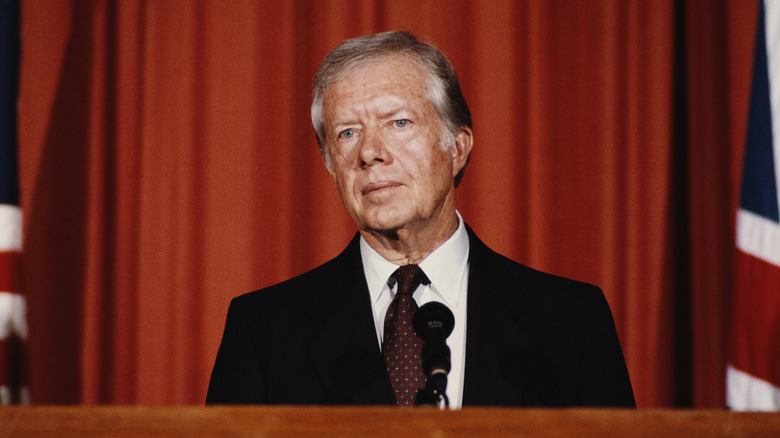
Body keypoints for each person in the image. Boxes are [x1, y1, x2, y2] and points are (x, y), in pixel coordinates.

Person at [206, 30, 635, 408]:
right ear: (330, 164)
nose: (370, 152)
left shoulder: (572, 324)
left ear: (457, 147)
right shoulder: (264, 332)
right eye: (347, 132)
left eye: (399, 122)